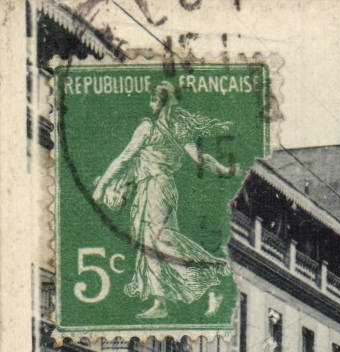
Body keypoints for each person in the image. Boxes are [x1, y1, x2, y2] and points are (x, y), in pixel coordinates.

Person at [91, 83, 240, 320]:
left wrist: (100, 187)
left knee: (159, 242)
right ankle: (164, 299)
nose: (150, 105)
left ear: (160, 102)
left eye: (152, 100)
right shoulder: (178, 129)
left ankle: (210, 280)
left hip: (154, 189)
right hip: (162, 189)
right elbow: (201, 159)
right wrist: (223, 169)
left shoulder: (147, 128)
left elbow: (124, 158)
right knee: (154, 242)